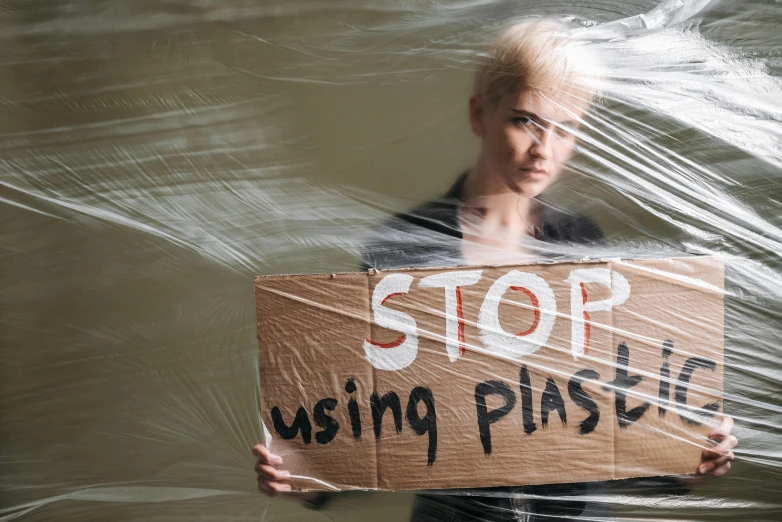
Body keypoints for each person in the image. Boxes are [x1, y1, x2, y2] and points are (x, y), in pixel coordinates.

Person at [252, 19, 738, 521]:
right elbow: (377, 430)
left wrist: (686, 460)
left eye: (567, 126)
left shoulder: (583, 244)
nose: (544, 149)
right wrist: (302, 476)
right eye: (527, 120)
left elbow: (608, 421)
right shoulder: (402, 249)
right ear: (479, 114)